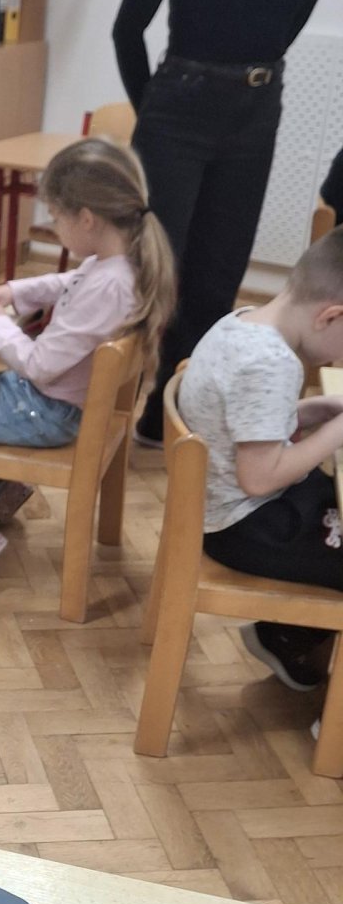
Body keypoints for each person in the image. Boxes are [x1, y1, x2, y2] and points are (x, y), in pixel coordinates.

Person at [113, 0, 341, 446]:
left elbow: (288, 20)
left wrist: (250, 79)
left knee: (218, 276)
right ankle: (108, 414)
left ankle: (172, 419)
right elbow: (127, 28)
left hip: (255, 108)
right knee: (157, 275)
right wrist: (153, 115)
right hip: (176, 109)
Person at [0, 138, 175, 602]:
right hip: (41, 402)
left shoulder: (109, 288)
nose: (53, 227)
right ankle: (2, 488)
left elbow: (39, 365)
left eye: (57, 218)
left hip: (43, 412)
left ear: (86, 218)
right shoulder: (119, 263)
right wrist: (13, 292)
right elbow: (68, 281)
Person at [178, 229, 343, 716]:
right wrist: (336, 431)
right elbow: (260, 478)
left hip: (239, 510)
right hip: (245, 526)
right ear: (331, 316)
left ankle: (288, 632)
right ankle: (294, 646)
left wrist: (314, 410)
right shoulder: (271, 363)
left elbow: (247, 423)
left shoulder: (243, 322)